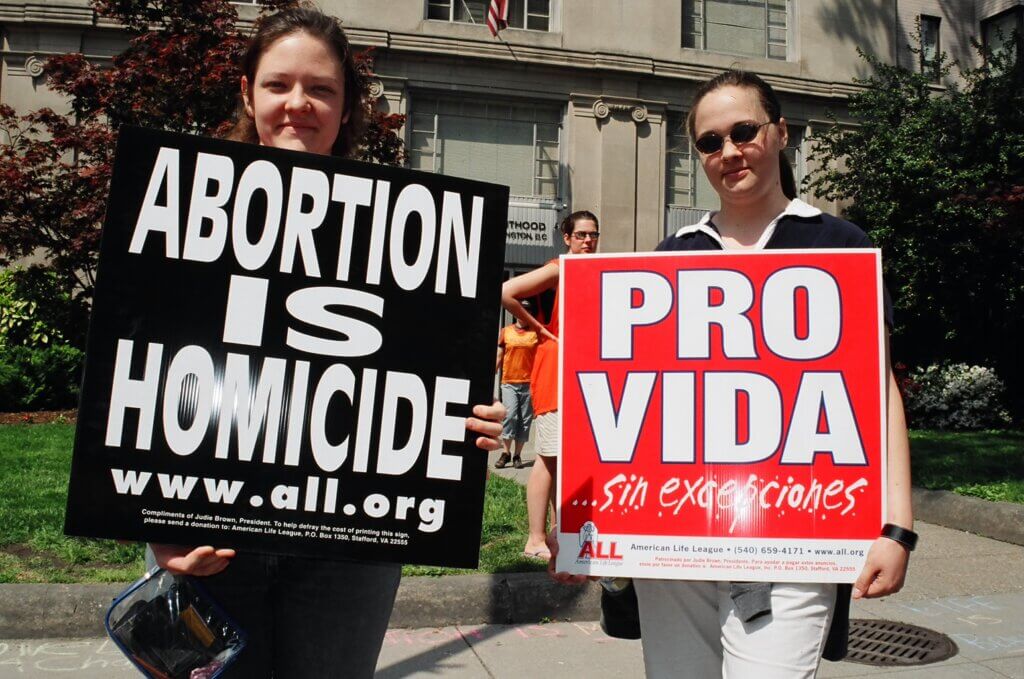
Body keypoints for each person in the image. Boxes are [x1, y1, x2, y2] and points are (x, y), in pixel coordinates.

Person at [146, 8, 504, 678]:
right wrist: (154, 520)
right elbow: (140, 371)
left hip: (349, 549)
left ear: (346, 109)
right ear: (247, 93)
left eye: (322, 89)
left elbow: (419, 383)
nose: (298, 103)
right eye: (279, 84)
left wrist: (464, 425)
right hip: (211, 535)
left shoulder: (408, 233)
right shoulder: (183, 209)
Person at [578, 69, 915, 679]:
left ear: (780, 132)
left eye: (743, 131)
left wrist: (898, 528)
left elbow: (878, 391)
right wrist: (587, 521)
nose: (729, 151)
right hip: (673, 549)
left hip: (798, 543)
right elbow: (627, 400)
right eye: (710, 142)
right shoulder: (671, 257)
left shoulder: (839, 245)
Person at [501, 211, 600, 559]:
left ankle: (560, 537)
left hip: (579, 377)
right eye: (582, 235)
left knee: (567, 461)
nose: (588, 241)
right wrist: (539, 327)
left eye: (593, 235)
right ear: (567, 237)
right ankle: (535, 538)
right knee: (549, 459)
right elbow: (507, 292)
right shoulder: (560, 268)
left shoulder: (591, 271)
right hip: (554, 376)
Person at [495, 298, 539, 469]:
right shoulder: (506, 332)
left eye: (527, 310)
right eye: (521, 310)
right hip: (509, 382)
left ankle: (517, 455)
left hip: (528, 382)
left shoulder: (535, 333)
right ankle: (505, 453)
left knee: (525, 420)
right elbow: (499, 354)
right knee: (511, 416)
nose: (523, 314)